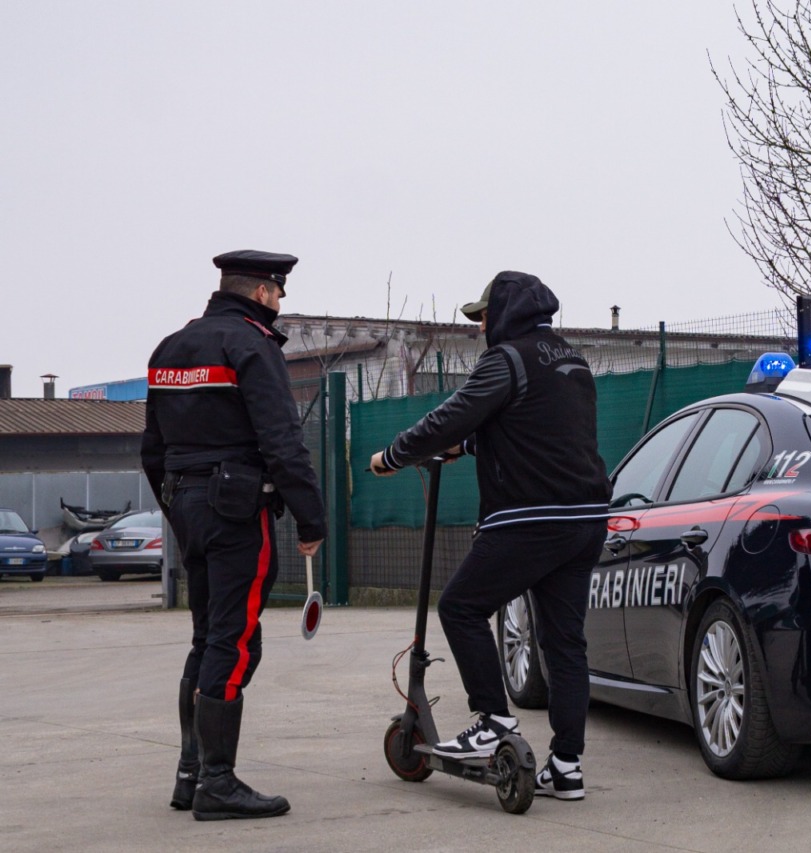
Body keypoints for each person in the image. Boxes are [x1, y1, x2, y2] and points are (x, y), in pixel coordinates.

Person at [370, 270, 610, 801]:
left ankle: (493, 719)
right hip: (585, 518)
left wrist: (394, 455)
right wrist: (473, 448)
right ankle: (566, 768)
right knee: (565, 643)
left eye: (483, 318)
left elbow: (452, 417)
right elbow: (539, 433)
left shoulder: (507, 359)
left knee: (460, 607)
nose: (481, 329)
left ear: (502, 313)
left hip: (531, 518)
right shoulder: (572, 361)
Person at [142, 249, 326, 821]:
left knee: (207, 638)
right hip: (238, 509)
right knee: (235, 640)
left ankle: (191, 774)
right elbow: (281, 441)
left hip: (187, 506)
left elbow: (152, 449)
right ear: (264, 293)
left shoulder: (170, 347)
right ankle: (218, 783)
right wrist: (311, 517)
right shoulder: (252, 345)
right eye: (278, 295)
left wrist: (178, 512)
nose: (278, 305)